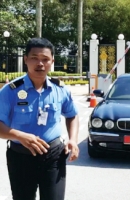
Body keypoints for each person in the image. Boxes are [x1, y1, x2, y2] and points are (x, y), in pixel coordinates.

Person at [0, 38, 79, 200]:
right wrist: (19, 136)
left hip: (53, 156)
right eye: (34, 58)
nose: (40, 63)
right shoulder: (10, 90)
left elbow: (72, 115)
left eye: (45, 59)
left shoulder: (60, 89)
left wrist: (73, 139)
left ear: (52, 62)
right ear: (26, 59)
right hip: (21, 157)